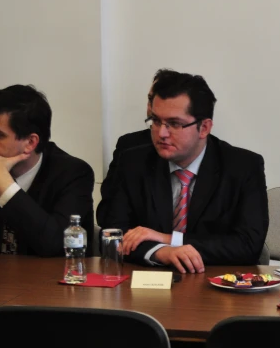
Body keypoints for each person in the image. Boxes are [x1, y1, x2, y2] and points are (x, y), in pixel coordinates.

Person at [98, 71, 268, 273]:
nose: (161, 133)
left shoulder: (243, 167)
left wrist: (169, 240)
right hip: (147, 284)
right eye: (156, 121)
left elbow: (248, 245)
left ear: (204, 127)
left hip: (218, 287)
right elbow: (113, 235)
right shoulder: (133, 163)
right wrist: (161, 252)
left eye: (174, 124)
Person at [0, 85, 94, 269]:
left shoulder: (73, 173)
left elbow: (57, 244)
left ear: (30, 142)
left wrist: (3, 183)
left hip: (53, 287)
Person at [96, 69, 181, 227]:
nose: (151, 107)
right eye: (150, 99)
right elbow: (107, 214)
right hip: (140, 244)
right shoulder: (129, 146)